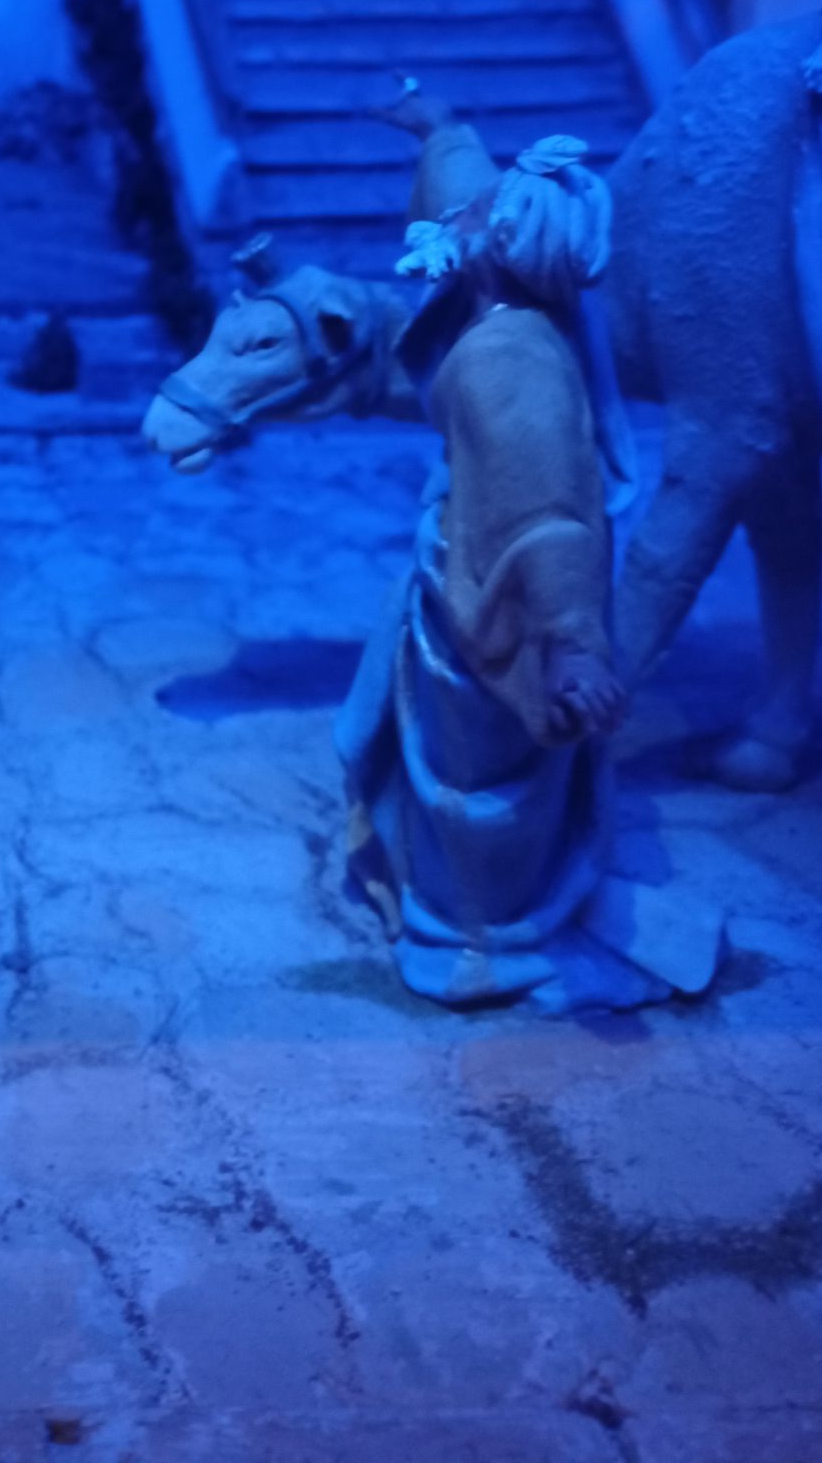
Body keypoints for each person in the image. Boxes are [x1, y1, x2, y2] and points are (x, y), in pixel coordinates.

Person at [335, 133, 721, 1010]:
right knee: (448, 759)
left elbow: (548, 520)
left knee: (474, 772)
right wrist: (434, 122)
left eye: (472, 212)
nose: (452, 216)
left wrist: (571, 644)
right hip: (465, 577)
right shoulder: (504, 333)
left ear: (499, 244)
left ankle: (480, 937)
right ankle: (465, 913)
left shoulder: (507, 360)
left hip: (497, 605)